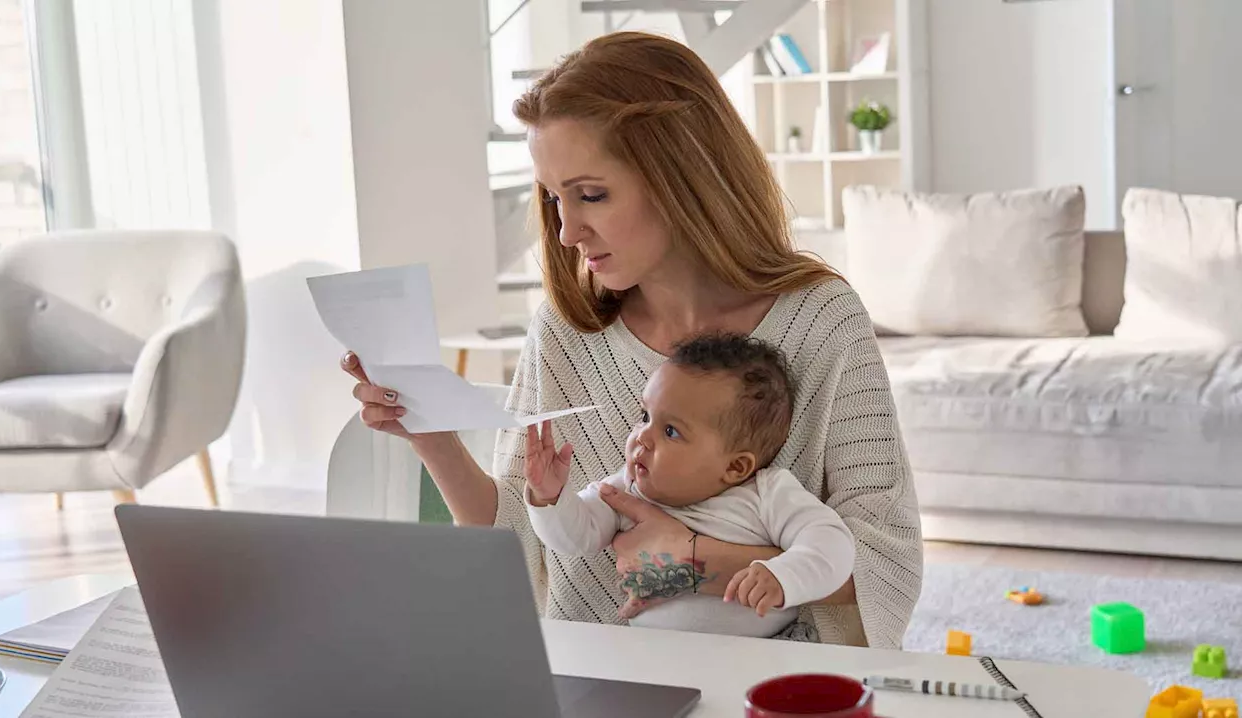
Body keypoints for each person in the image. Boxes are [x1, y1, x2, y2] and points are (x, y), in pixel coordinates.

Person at [342, 31, 922, 648]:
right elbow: (513, 541)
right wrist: (433, 438)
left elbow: (886, 562)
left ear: (681, 176)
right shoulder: (565, 333)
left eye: (591, 194)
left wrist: (696, 559)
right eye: (553, 198)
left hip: (778, 683)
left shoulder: (821, 319)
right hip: (605, 672)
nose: (566, 231)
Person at [523, 333, 855, 639]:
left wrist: (784, 576)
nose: (642, 437)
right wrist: (549, 496)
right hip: (657, 655)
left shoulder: (767, 494)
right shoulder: (627, 488)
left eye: (671, 432)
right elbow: (574, 537)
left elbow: (833, 544)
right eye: (645, 416)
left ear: (736, 466)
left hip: (767, 651)